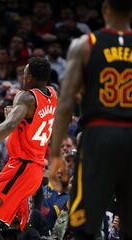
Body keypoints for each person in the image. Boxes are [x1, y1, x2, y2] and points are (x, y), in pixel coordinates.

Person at [49, 0, 132, 239]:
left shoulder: (85, 44)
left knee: (84, 225)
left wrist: (55, 154)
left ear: (105, 9)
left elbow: (65, 104)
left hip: (99, 136)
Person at [0, 57, 57, 240]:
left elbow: (8, 126)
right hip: (32, 169)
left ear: (29, 77)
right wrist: (14, 118)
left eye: (24, 73)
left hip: (22, 168)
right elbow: (31, 123)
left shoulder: (26, 97)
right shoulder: (52, 95)